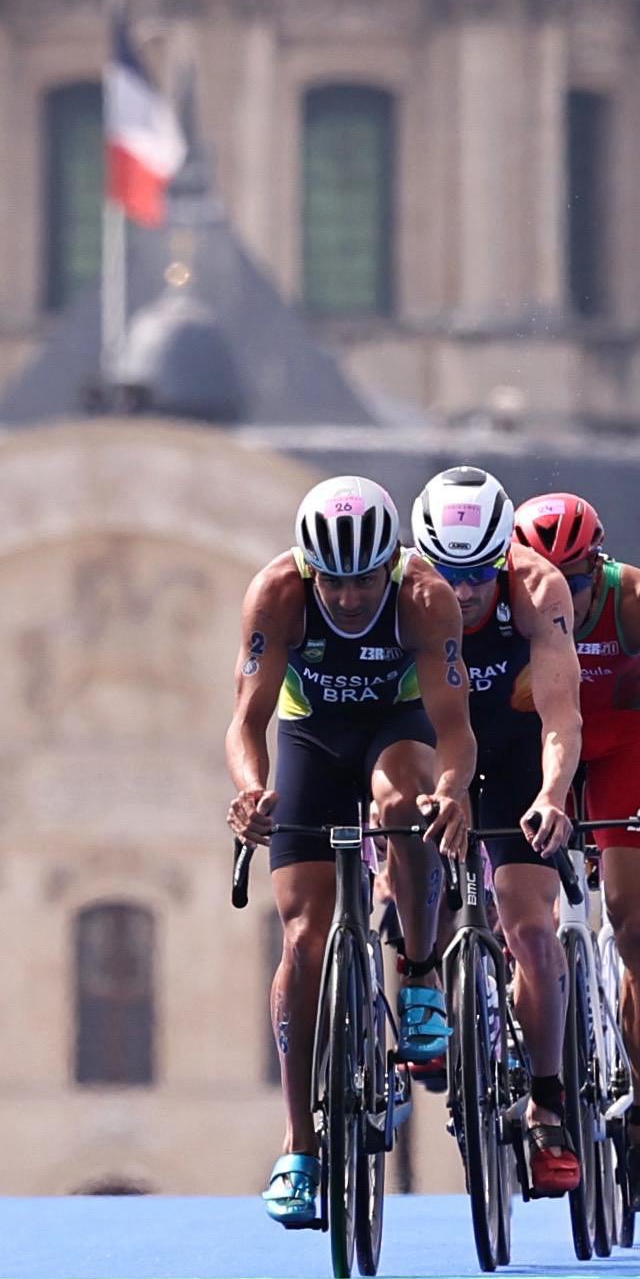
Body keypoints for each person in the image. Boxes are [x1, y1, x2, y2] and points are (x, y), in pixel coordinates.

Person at [227, 472, 476, 1229]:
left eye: (365, 579)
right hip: (311, 737)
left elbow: (456, 726)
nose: (348, 597)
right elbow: (247, 720)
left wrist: (456, 790)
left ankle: (422, 971)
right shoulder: (276, 593)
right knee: (302, 939)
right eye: (333, 581)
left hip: (398, 725)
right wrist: (250, 790)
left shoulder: (426, 597)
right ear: (309, 568)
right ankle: (299, 1146)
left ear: (389, 565)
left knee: (404, 802)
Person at [512, 491, 640, 1216]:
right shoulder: (506, 597)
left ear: (602, 567)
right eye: (550, 581)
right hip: (539, 748)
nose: (565, 595)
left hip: (623, 745)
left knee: (638, 920)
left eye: (581, 583)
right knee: (516, 909)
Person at [404, 465, 585, 1196]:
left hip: (514, 754)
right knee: (404, 863)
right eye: (451, 573)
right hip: (431, 748)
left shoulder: (538, 589)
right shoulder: (404, 593)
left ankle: (546, 1101)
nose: (467, 590)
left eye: (481, 573)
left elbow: (560, 715)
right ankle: (417, 984)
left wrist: (552, 794)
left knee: (531, 928)